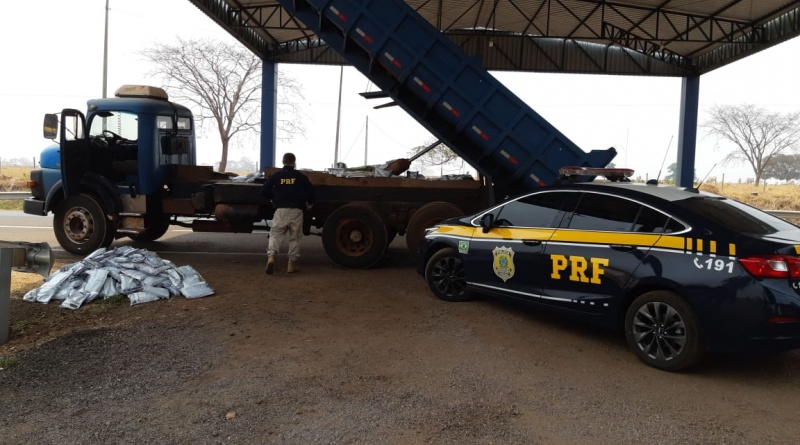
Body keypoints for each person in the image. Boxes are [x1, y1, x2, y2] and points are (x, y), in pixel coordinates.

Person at [262, 152, 316, 274]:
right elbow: (311, 192)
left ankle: (271, 256)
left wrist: (274, 197)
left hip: (280, 210)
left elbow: (264, 190)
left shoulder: (276, 176)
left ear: (283, 162)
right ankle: (291, 264)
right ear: (294, 163)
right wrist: (309, 203)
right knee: (295, 237)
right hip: (296, 211)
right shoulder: (300, 176)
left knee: (275, 234)